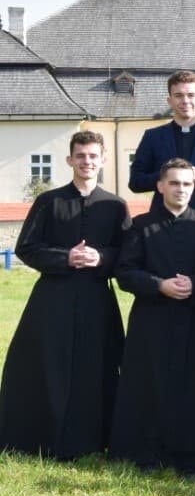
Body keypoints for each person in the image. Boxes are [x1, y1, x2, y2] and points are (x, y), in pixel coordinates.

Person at [0, 131, 130, 459]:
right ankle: (38, 437)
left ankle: (91, 439)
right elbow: (26, 248)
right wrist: (65, 258)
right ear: (70, 160)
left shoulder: (115, 206)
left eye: (93, 156)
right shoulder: (49, 201)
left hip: (96, 296)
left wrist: (100, 258)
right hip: (52, 296)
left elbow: (127, 255)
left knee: (96, 365)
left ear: (102, 160)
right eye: (81, 156)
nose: (87, 162)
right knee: (44, 363)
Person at [109, 158, 195, 475]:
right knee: (149, 384)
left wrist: (194, 284)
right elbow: (125, 272)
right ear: (160, 186)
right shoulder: (141, 226)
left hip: (194, 317)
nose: (181, 189)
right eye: (174, 183)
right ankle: (147, 454)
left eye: (187, 184)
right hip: (151, 318)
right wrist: (159, 285)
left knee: (194, 387)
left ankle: (193, 457)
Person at [128, 70, 195, 216]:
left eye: (191, 95)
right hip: (160, 219)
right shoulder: (153, 137)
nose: (185, 101)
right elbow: (135, 183)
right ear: (170, 101)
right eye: (178, 95)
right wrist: (167, 176)